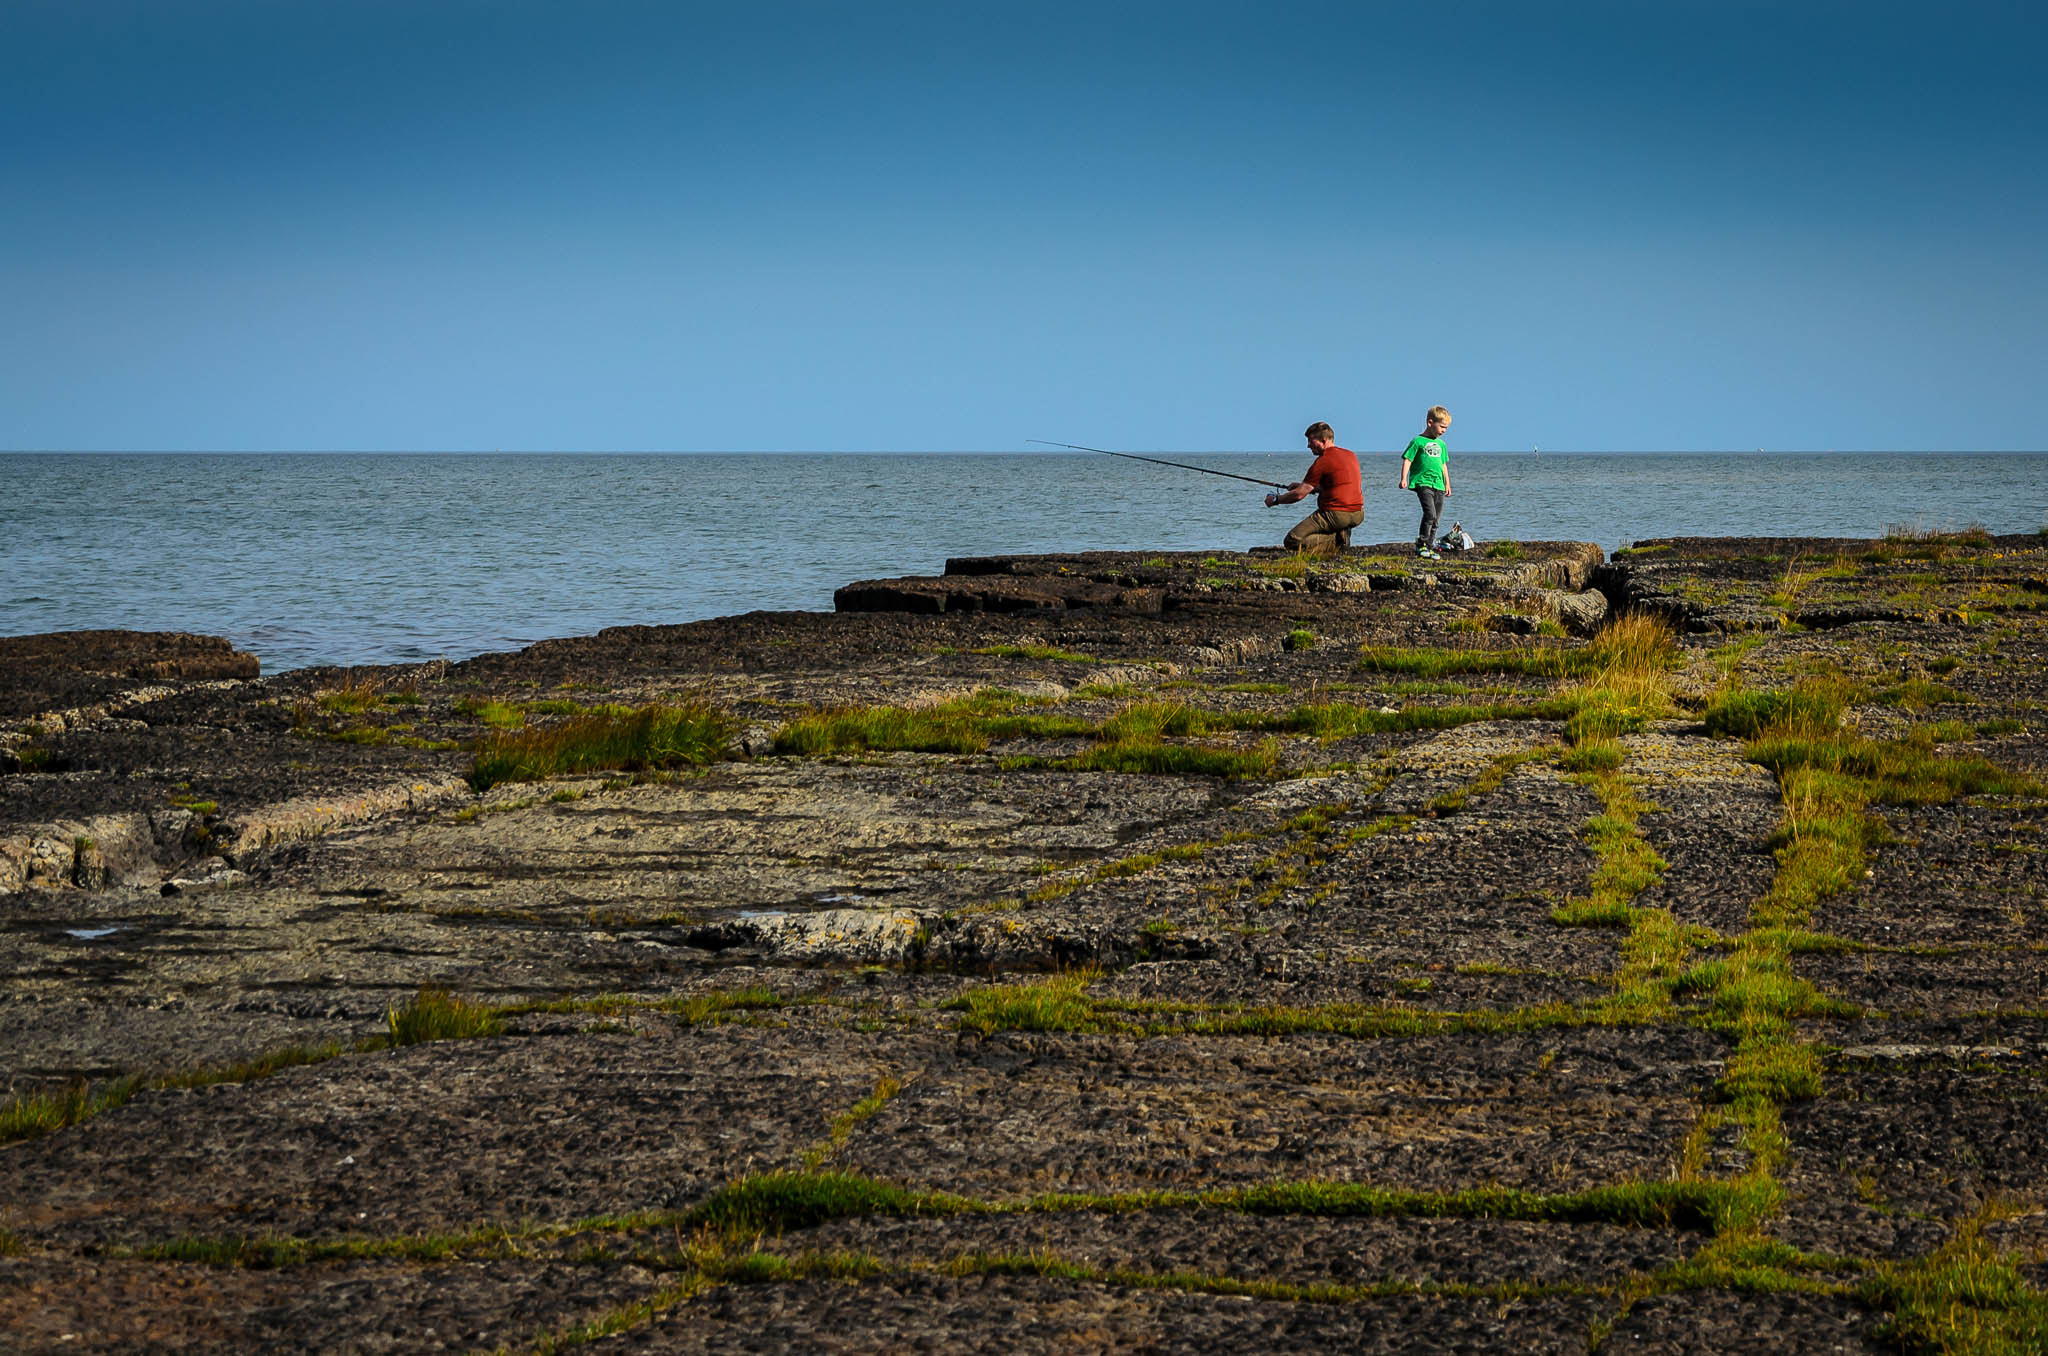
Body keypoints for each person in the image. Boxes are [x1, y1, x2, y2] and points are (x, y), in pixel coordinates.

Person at [1264, 422, 1363, 556]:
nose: (1308, 445)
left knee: (1292, 540)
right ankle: (1340, 532)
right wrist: (1304, 486)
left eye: (1311, 441)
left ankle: (1335, 539)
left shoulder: (1323, 461)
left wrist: (1275, 500)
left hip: (1336, 515)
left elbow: (1298, 495)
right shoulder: (1350, 455)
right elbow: (1335, 485)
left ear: (1323, 440)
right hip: (1357, 514)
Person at [1398, 406, 1452, 559]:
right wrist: (1403, 478)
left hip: (1439, 484)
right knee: (1430, 514)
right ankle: (1421, 544)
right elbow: (1408, 459)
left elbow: (1443, 465)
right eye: (1441, 426)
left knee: (1436, 519)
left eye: (1446, 428)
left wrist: (1448, 484)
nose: (1444, 430)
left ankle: (1429, 546)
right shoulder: (1418, 441)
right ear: (1430, 422)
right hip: (1423, 482)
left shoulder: (1442, 445)